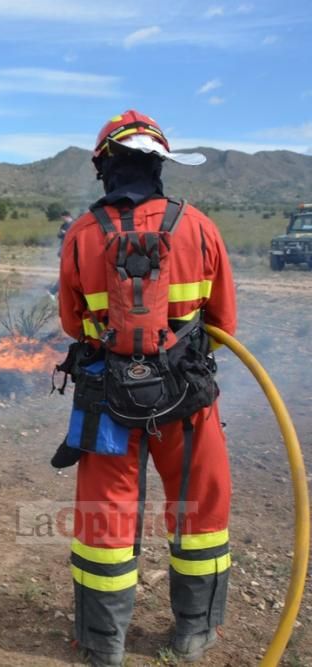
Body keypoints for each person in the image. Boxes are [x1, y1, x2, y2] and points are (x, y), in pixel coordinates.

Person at [57, 110, 236, 666]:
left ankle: (102, 644)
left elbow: (70, 323)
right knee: (199, 511)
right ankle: (194, 634)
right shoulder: (200, 227)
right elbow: (223, 325)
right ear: (160, 164)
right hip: (187, 401)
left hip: (108, 403)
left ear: (104, 166)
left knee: (104, 519)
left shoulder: (82, 235)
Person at [48, 211, 75, 300]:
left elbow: (74, 236)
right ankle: (54, 290)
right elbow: (59, 235)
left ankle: (56, 291)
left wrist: (66, 233)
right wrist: (62, 233)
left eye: (63, 218)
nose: (62, 219)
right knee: (68, 273)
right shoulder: (63, 225)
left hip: (72, 252)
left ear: (67, 216)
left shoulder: (75, 224)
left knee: (70, 273)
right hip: (66, 252)